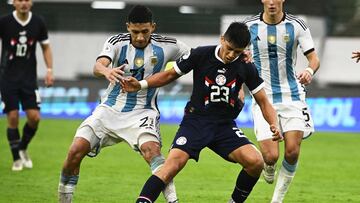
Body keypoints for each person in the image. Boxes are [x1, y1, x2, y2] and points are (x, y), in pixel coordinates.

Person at [121, 22, 282, 203]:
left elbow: (264, 102)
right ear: (222, 39)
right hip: (195, 122)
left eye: (237, 52)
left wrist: (273, 124)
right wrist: (141, 84)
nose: (231, 55)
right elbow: (170, 74)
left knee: (256, 162)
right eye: (229, 48)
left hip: (224, 126)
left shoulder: (246, 66)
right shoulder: (201, 54)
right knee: (171, 166)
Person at [57, 5, 189, 203]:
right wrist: (106, 71)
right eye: (135, 32)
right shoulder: (116, 42)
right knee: (75, 150)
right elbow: (98, 64)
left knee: (153, 152)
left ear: (153, 27)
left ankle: (173, 201)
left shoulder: (169, 45)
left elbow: (198, 57)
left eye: (145, 31)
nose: (140, 37)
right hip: (109, 109)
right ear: (128, 27)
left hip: (143, 112)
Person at [244, 0, 320, 202]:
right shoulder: (248, 26)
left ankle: (277, 200)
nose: (271, 2)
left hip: (292, 96)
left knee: (293, 151)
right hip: (262, 98)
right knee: (270, 157)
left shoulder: (297, 25)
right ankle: (268, 167)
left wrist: (309, 71)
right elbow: (233, 56)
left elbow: (314, 59)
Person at [0, 0, 54, 171]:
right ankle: (16, 158)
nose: (23, 3)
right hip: (7, 78)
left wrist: (49, 69)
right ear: (13, 3)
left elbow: (46, 47)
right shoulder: (4, 22)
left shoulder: (38, 22)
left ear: (31, 3)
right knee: (13, 117)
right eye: (19, 0)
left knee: (34, 118)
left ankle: (22, 147)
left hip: (29, 79)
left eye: (26, 0)